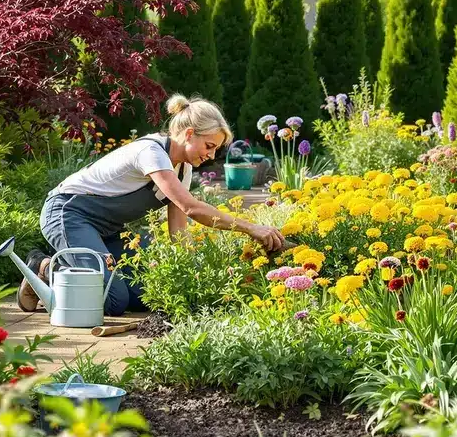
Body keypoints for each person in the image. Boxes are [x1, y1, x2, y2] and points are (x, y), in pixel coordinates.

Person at [20, 94, 285, 315]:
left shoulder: (183, 170)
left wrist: (189, 278)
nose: (211, 155)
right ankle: (42, 267)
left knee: (150, 293)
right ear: (190, 134)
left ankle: (77, 270)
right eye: (209, 145)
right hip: (68, 213)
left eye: (216, 149)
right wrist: (251, 227)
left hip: (105, 231)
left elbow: (178, 234)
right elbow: (192, 208)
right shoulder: (151, 153)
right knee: (112, 301)